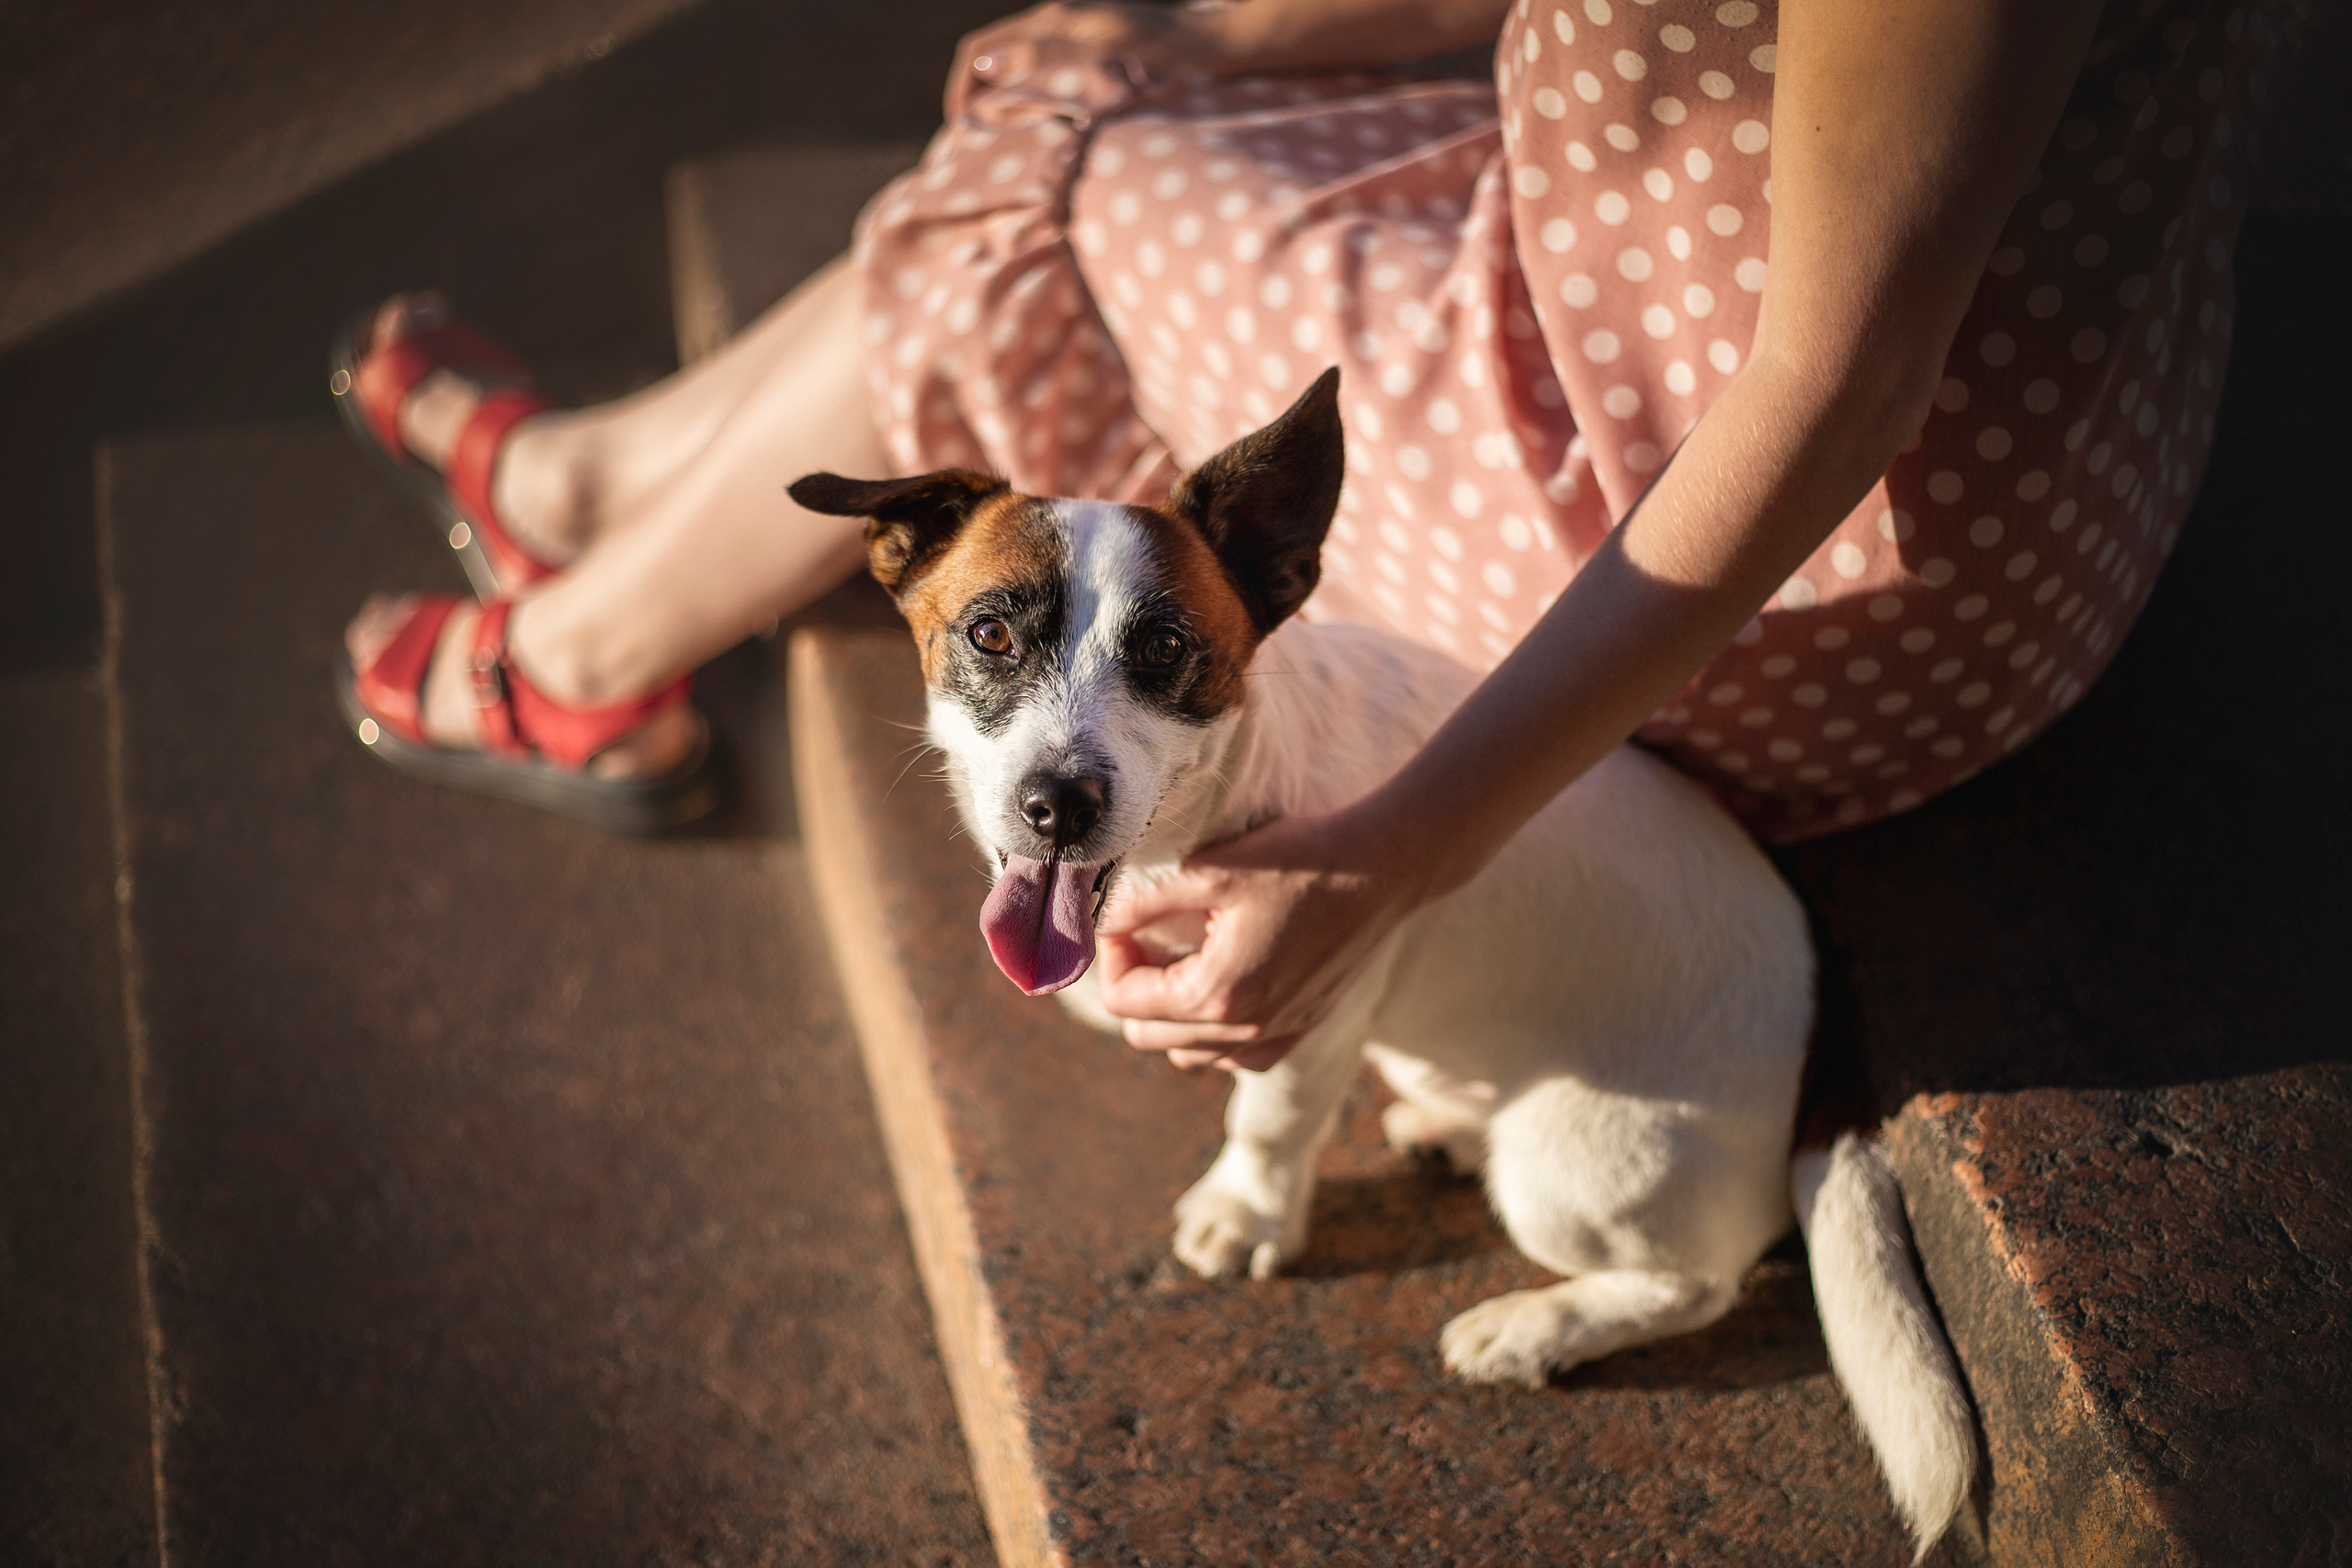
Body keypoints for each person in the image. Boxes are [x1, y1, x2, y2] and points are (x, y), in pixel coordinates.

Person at [336, 0, 2287, 1067]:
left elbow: (1830, 391)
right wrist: (1204, 37)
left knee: (1062, 149)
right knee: (1124, 69)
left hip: (1791, 534)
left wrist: (1397, 855)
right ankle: (595, 492)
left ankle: (584, 642)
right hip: (1705, 327)